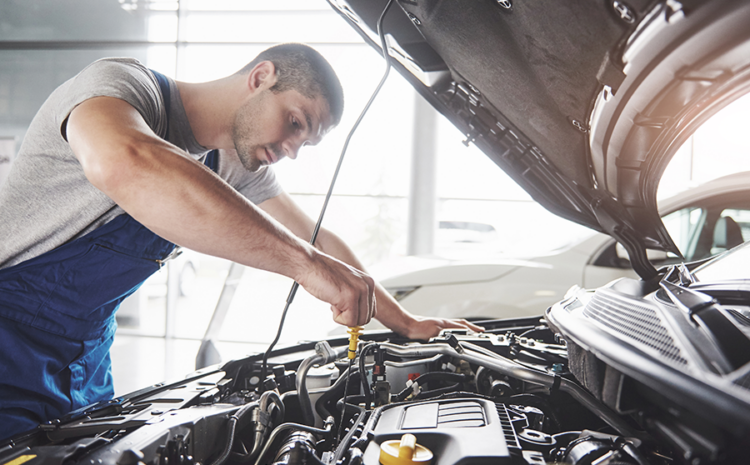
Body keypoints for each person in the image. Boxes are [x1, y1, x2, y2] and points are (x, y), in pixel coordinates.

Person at [0, 43, 482, 440]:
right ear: (261, 77)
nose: (293, 150)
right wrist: (306, 266)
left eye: (306, 143)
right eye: (296, 123)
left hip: (84, 355)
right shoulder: (122, 87)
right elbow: (123, 160)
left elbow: (314, 236)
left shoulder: (229, 162)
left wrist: (406, 320)